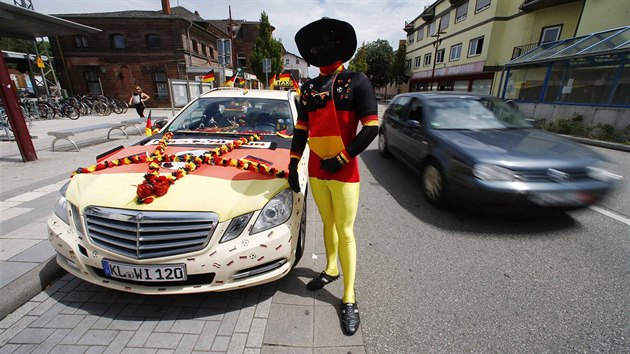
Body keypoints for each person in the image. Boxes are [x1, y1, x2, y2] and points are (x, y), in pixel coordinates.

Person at [289, 17, 378, 336]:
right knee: (326, 225)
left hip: (344, 171)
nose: (318, 48)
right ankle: (330, 267)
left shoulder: (358, 81)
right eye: (313, 45)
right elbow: (302, 128)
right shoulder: (308, 87)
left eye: (325, 42)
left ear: (339, 45)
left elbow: (371, 127)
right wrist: (293, 161)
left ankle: (350, 298)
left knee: (346, 230)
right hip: (316, 170)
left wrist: (342, 157)